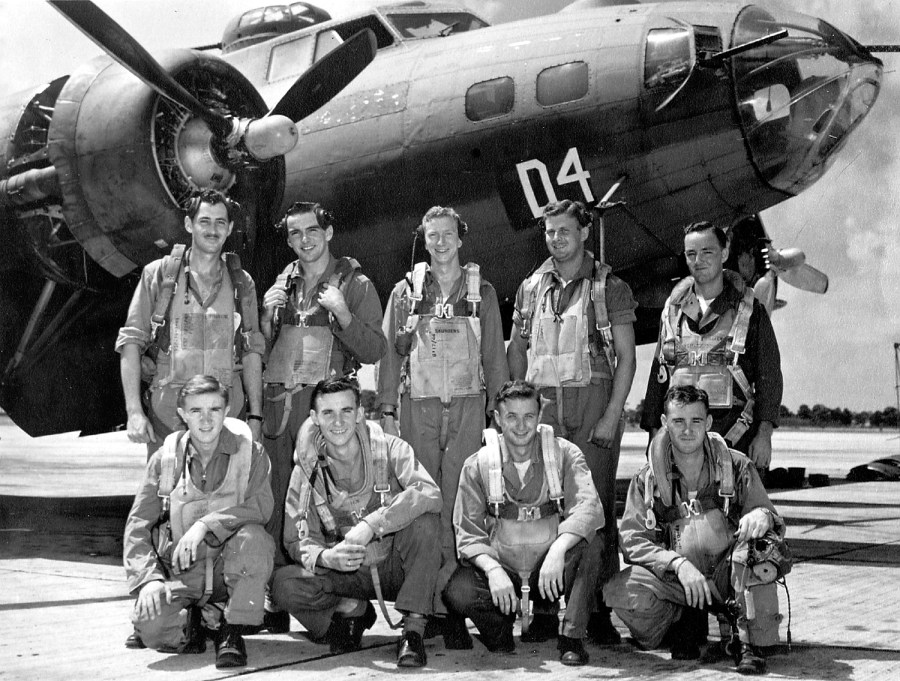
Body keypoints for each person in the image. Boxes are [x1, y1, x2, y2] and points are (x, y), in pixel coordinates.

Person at [507, 199, 637, 642]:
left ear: (583, 232)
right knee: (545, 507)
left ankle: (597, 612)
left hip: (592, 406)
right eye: (549, 232)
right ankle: (545, 610)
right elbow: (517, 350)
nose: (556, 240)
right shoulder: (531, 287)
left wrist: (612, 415)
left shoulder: (608, 287)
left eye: (564, 231)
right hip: (544, 410)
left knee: (594, 510)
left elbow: (627, 359)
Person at [377, 205, 508, 641]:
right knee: (426, 502)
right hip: (420, 408)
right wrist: (387, 413)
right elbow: (389, 356)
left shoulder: (481, 292)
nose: (440, 242)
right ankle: (432, 608)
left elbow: (495, 356)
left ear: (460, 238)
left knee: (460, 504)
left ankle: (452, 601)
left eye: (447, 234)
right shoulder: (405, 293)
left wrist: (500, 416)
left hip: (469, 407)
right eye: (432, 235)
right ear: (424, 238)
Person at [604, 385, 789, 675]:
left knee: (760, 565)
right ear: (665, 423)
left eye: (696, 421)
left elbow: (771, 519)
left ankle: (744, 637)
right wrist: (676, 564)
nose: (687, 430)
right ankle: (683, 618)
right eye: (678, 421)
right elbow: (631, 539)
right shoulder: (649, 479)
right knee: (620, 591)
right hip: (678, 581)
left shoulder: (735, 465)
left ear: (709, 423)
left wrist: (762, 517)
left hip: (729, 573)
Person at [271, 377, 442, 668]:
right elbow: (294, 540)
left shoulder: (390, 448)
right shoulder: (306, 469)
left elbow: (430, 492)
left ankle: (413, 630)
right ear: (314, 418)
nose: (338, 422)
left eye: (346, 411)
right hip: (347, 572)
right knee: (284, 585)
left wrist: (373, 524)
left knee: (425, 523)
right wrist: (327, 557)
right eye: (328, 413)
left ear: (360, 413)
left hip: (395, 567)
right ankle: (350, 610)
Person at [260, 201, 386, 575]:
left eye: (312, 230)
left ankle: (331, 583)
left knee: (324, 500)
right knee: (277, 496)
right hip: (281, 413)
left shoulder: (355, 285)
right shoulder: (282, 287)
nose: (305, 239)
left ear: (328, 233)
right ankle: (276, 587)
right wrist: (267, 318)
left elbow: (375, 349)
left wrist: (344, 314)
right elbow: (263, 352)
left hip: (325, 415)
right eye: (295, 233)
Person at [444, 380, 604, 665]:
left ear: (540, 415)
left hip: (549, 564)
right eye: (511, 417)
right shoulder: (477, 464)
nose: (521, 426)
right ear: (497, 418)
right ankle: (500, 628)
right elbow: (467, 532)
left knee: (592, 546)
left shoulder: (564, 453)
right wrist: (493, 570)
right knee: (459, 589)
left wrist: (558, 550)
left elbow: (589, 508)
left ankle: (572, 636)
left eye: (529, 416)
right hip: (504, 563)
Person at [123, 375, 275, 669]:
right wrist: (148, 580)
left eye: (214, 410)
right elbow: (138, 526)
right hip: (183, 573)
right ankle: (197, 625)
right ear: (182, 415)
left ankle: (233, 629)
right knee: (150, 625)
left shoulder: (250, 453)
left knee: (254, 538)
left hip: (230, 572)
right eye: (196, 411)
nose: (206, 420)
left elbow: (261, 506)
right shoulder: (165, 460)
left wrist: (205, 524)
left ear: (227, 411)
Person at [116, 189, 265, 456]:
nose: (213, 229)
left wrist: (255, 416)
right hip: (169, 417)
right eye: (204, 221)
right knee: (168, 493)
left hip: (227, 417)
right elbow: (131, 342)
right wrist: (134, 412)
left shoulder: (242, 283)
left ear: (230, 228)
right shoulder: (159, 275)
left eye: (220, 222)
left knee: (227, 496)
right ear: (189, 224)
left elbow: (252, 350)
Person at [640, 221, 783, 472]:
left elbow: (769, 377)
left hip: (736, 436)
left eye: (708, 252)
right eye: (691, 254)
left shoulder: (750, 312)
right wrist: (654, 436)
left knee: (738, 509)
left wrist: (764, 435)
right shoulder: (672, 314)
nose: (699, 260)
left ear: (724, 254)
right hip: (680, 440)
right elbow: (658, 378)